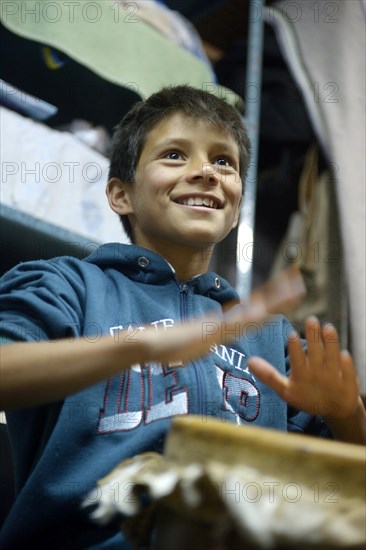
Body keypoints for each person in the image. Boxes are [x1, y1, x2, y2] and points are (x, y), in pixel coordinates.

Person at [0, 85, 365, 549]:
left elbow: (349, 499)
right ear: (120, 194)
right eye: (174, 155)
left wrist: (346, 414)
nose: (206, 173)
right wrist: (143, 345)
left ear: (235, 210)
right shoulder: (65, 285)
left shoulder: (272, 336)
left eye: (223, 162)